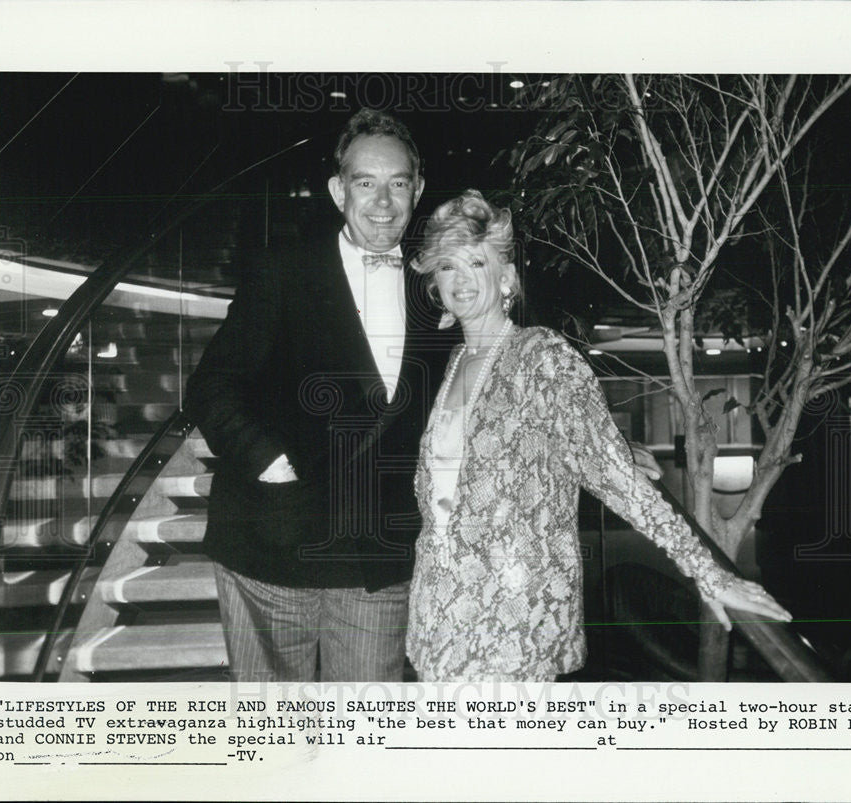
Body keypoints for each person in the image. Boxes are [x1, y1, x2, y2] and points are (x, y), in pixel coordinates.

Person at [406, 190, 792, 682]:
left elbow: (616, 478)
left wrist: (708, 571)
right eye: (446, 266)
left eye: (475, 263)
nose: (459, 280)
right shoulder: (456, 362)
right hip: (439, 619)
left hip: (510, 627)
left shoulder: (541, 356)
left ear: (506, 276)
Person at [184, 109, 453, 682]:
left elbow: (494, 374)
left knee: (362, 743)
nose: (383, 201)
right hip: (271, 540)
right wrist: (270, 462)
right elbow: (213, 384)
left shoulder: (439, 285)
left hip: (377, 556)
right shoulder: (282, 270)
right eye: (365, 182)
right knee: (273, 742)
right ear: (337, 190)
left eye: (398, 183)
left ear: (418, 189)